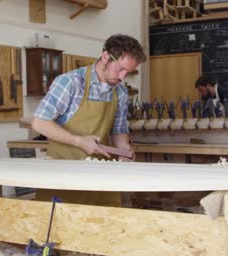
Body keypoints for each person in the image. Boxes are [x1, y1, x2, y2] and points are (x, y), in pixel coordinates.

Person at [32, 34, 147, 206]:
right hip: (64, 172)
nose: (123, 77)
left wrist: (124, 150)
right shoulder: (70, 82)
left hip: (100, 174)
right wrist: (78, 141)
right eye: (120, 69)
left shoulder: (120, 92)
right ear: (106, 56)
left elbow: (118, 129)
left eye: (128, 73)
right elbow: (40, 122)